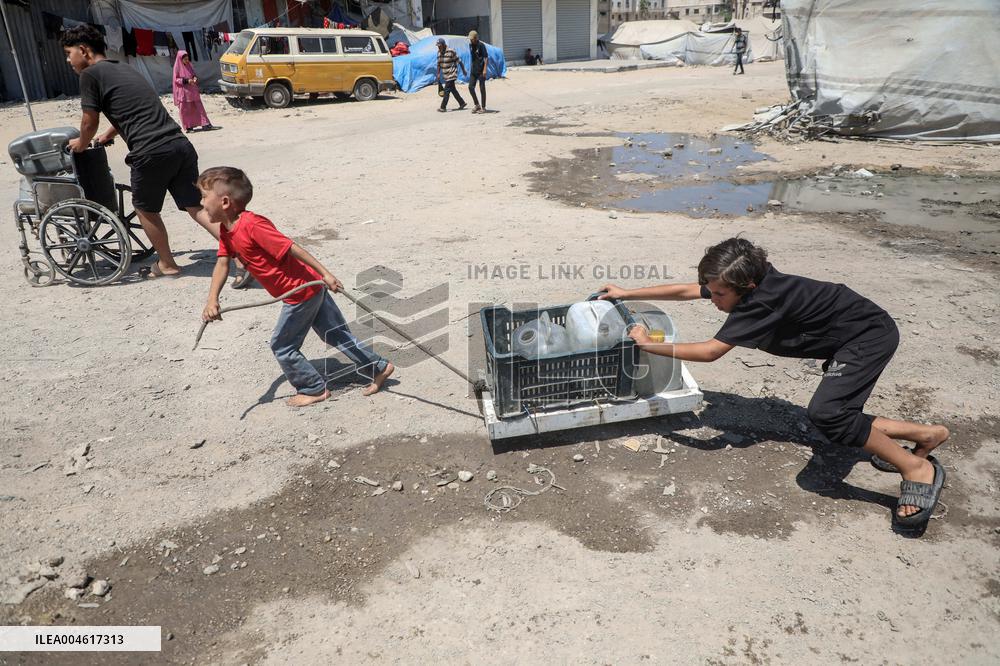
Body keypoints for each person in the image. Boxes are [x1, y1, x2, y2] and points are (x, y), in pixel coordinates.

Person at [599, 237, 949, 528]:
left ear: (746, 287)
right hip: (853, 332)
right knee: (837, 415)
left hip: (867, 337)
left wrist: (650, 345)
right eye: (713, 291)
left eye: (719, 295)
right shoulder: (746, 280)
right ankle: (924, 435)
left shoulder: (760, 303)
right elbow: (689, 290)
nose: (713, 299)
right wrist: (626, 292)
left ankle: (915, 467)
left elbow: (710, 352)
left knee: (828, 414)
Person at [60, 25, 252, 285]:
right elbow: (130, 110)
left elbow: (88, 121)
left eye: (69, 53)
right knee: (196, 208)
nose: (69, 60)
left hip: (150, 151)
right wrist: (108, 136)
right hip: (179, 144)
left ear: (83, 50)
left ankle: (167, 264)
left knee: (145, 210)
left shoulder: (90, 75)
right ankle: (243, 259)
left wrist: (82, 143)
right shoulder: (124, 68)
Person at [199, 167, 394, 407]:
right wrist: (212, 299)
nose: (201, 202)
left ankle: (312, 388)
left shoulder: (252, 225)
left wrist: (326, 274)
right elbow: (222, 263)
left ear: (225, 201)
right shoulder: (226, 231)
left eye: (204, 196)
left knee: (283, 345)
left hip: (301, 292)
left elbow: (292, 247)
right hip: (307, 288)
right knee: (334, 334)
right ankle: (378, 367)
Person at [172, 50, 215, 133]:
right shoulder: (177, 67)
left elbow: (193, 74)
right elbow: (176, 79)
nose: (187, 61)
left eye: (187, 59)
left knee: (199, 107)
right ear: (180, 59)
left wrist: (195, 78)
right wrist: (186, 81)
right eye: (185, 59)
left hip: (193, 91)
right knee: (185, 110)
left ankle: (205, 124)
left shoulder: (189, 65)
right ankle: (188, 127)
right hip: (184, 93)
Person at [435, 38, 467, 112]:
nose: (439, 47)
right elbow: (438, 64)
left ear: (443, 45)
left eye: (440, 46)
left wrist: (464, 70)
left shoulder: (451, 51)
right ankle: (462, 103)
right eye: (438, 46)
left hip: (452, 74)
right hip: (446, 75)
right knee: (453, 89)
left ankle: (443, 107)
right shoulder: (438, 53)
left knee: (447, 90)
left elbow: (459, 61)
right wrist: (438, 73)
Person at [467, 30, 489, 114]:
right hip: (474, 70)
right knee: (470, 87)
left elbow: (486, 57)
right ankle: (477, 104)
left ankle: (483, 107)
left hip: (481, 70)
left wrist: (484, 69)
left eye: (472, 39)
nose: (470, 40)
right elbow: (473, 58)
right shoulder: (470, 45)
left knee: (482, 88)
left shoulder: (481, 45)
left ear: (476, 38)